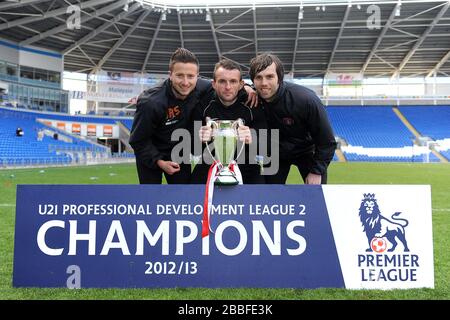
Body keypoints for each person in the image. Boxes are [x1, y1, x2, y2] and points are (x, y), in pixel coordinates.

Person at [129, 48, 256, 184]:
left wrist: (249, 88)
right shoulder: (151, 102)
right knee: (150, 197)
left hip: (179, 152)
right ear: (170, 75)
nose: (185, 82)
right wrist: (159, 162)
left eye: (190, 76)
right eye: (179, 75)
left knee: (184, 196)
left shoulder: (203, 86)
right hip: (151, 152)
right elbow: (138, 140)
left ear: (197, 76)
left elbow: (228, 85)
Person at [249, 53, 336, 184]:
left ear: (279, 78)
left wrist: (316, 171)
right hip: (274, 154)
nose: (264, 83)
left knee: (316, 194)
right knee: (270, 196)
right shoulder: (252, 97)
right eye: (258, 77)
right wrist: (246, 88)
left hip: (306, 151)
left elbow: (327, 141)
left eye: (269, 77)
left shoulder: (306, 100)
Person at [191, 59, 267, 184]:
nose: (228, 87)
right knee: (191, 194)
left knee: (260, 197)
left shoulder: (253, 104)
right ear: (213, 84)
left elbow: (267, 145)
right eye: (222, 81)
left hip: (247, 166)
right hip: (210, 165)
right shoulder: (203, 106)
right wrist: (199, 139)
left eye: (233, 81)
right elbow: (193, 150)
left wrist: (252, 138)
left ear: (241, 84)